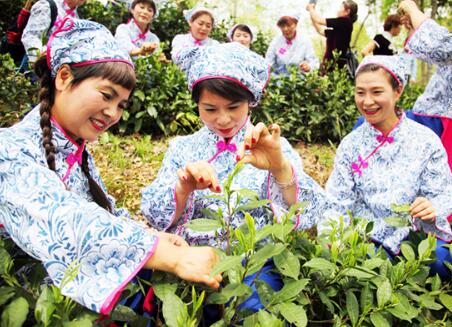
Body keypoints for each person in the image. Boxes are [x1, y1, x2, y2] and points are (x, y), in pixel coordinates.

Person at [0, 17, 221, 316]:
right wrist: (165, 255)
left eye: (121, 105)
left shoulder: (76, 150)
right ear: (64, 77)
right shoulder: (9, 149)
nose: (112, 113)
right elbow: (61, 216)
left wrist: (152, 238)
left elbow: (105, 211)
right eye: (106, 96)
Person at [141, 42, 326, 310]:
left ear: (251, 102)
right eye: (210, 109)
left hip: (254, 262)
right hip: (194, 258)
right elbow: (155, 215)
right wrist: (182, 189)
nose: (223, 119)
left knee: (251, 307)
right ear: (196, 104)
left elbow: (306, 214)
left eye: (233, 107)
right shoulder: (182, 148)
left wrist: (279, 166)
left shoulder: (272, 145)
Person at [319, 55, 452, 278]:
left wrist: (431, 206)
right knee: (363, 272)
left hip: (415, 234)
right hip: (370, 237)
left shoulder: (425, 140)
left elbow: (445, 193)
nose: (367, 101)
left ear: (398, 91)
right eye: (360, 92)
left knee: (446, 264)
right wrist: (331, 236)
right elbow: (337, 201)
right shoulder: (350, 145)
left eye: (377, 92)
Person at [398, 0, 452, 173]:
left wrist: (413, 10)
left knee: (427, 181)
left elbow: (440, 46)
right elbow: (432, 53)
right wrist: (416, 28)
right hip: (426, 116)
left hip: (445, 123)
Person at [21, 0, 85, 64]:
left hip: (62, 67)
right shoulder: (47, 6)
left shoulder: (78, 17)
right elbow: (30, 36)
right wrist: (38, 61)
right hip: (40, 64)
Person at [306, 0, 358, 74]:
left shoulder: (345, 22)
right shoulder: (338, 29)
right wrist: (311, 12)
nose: (338, 10)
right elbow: (320, 30)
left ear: (347, 11)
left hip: (336, 68)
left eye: (340, 8)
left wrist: (311, 8)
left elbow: (319, 20)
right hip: (328, 66)